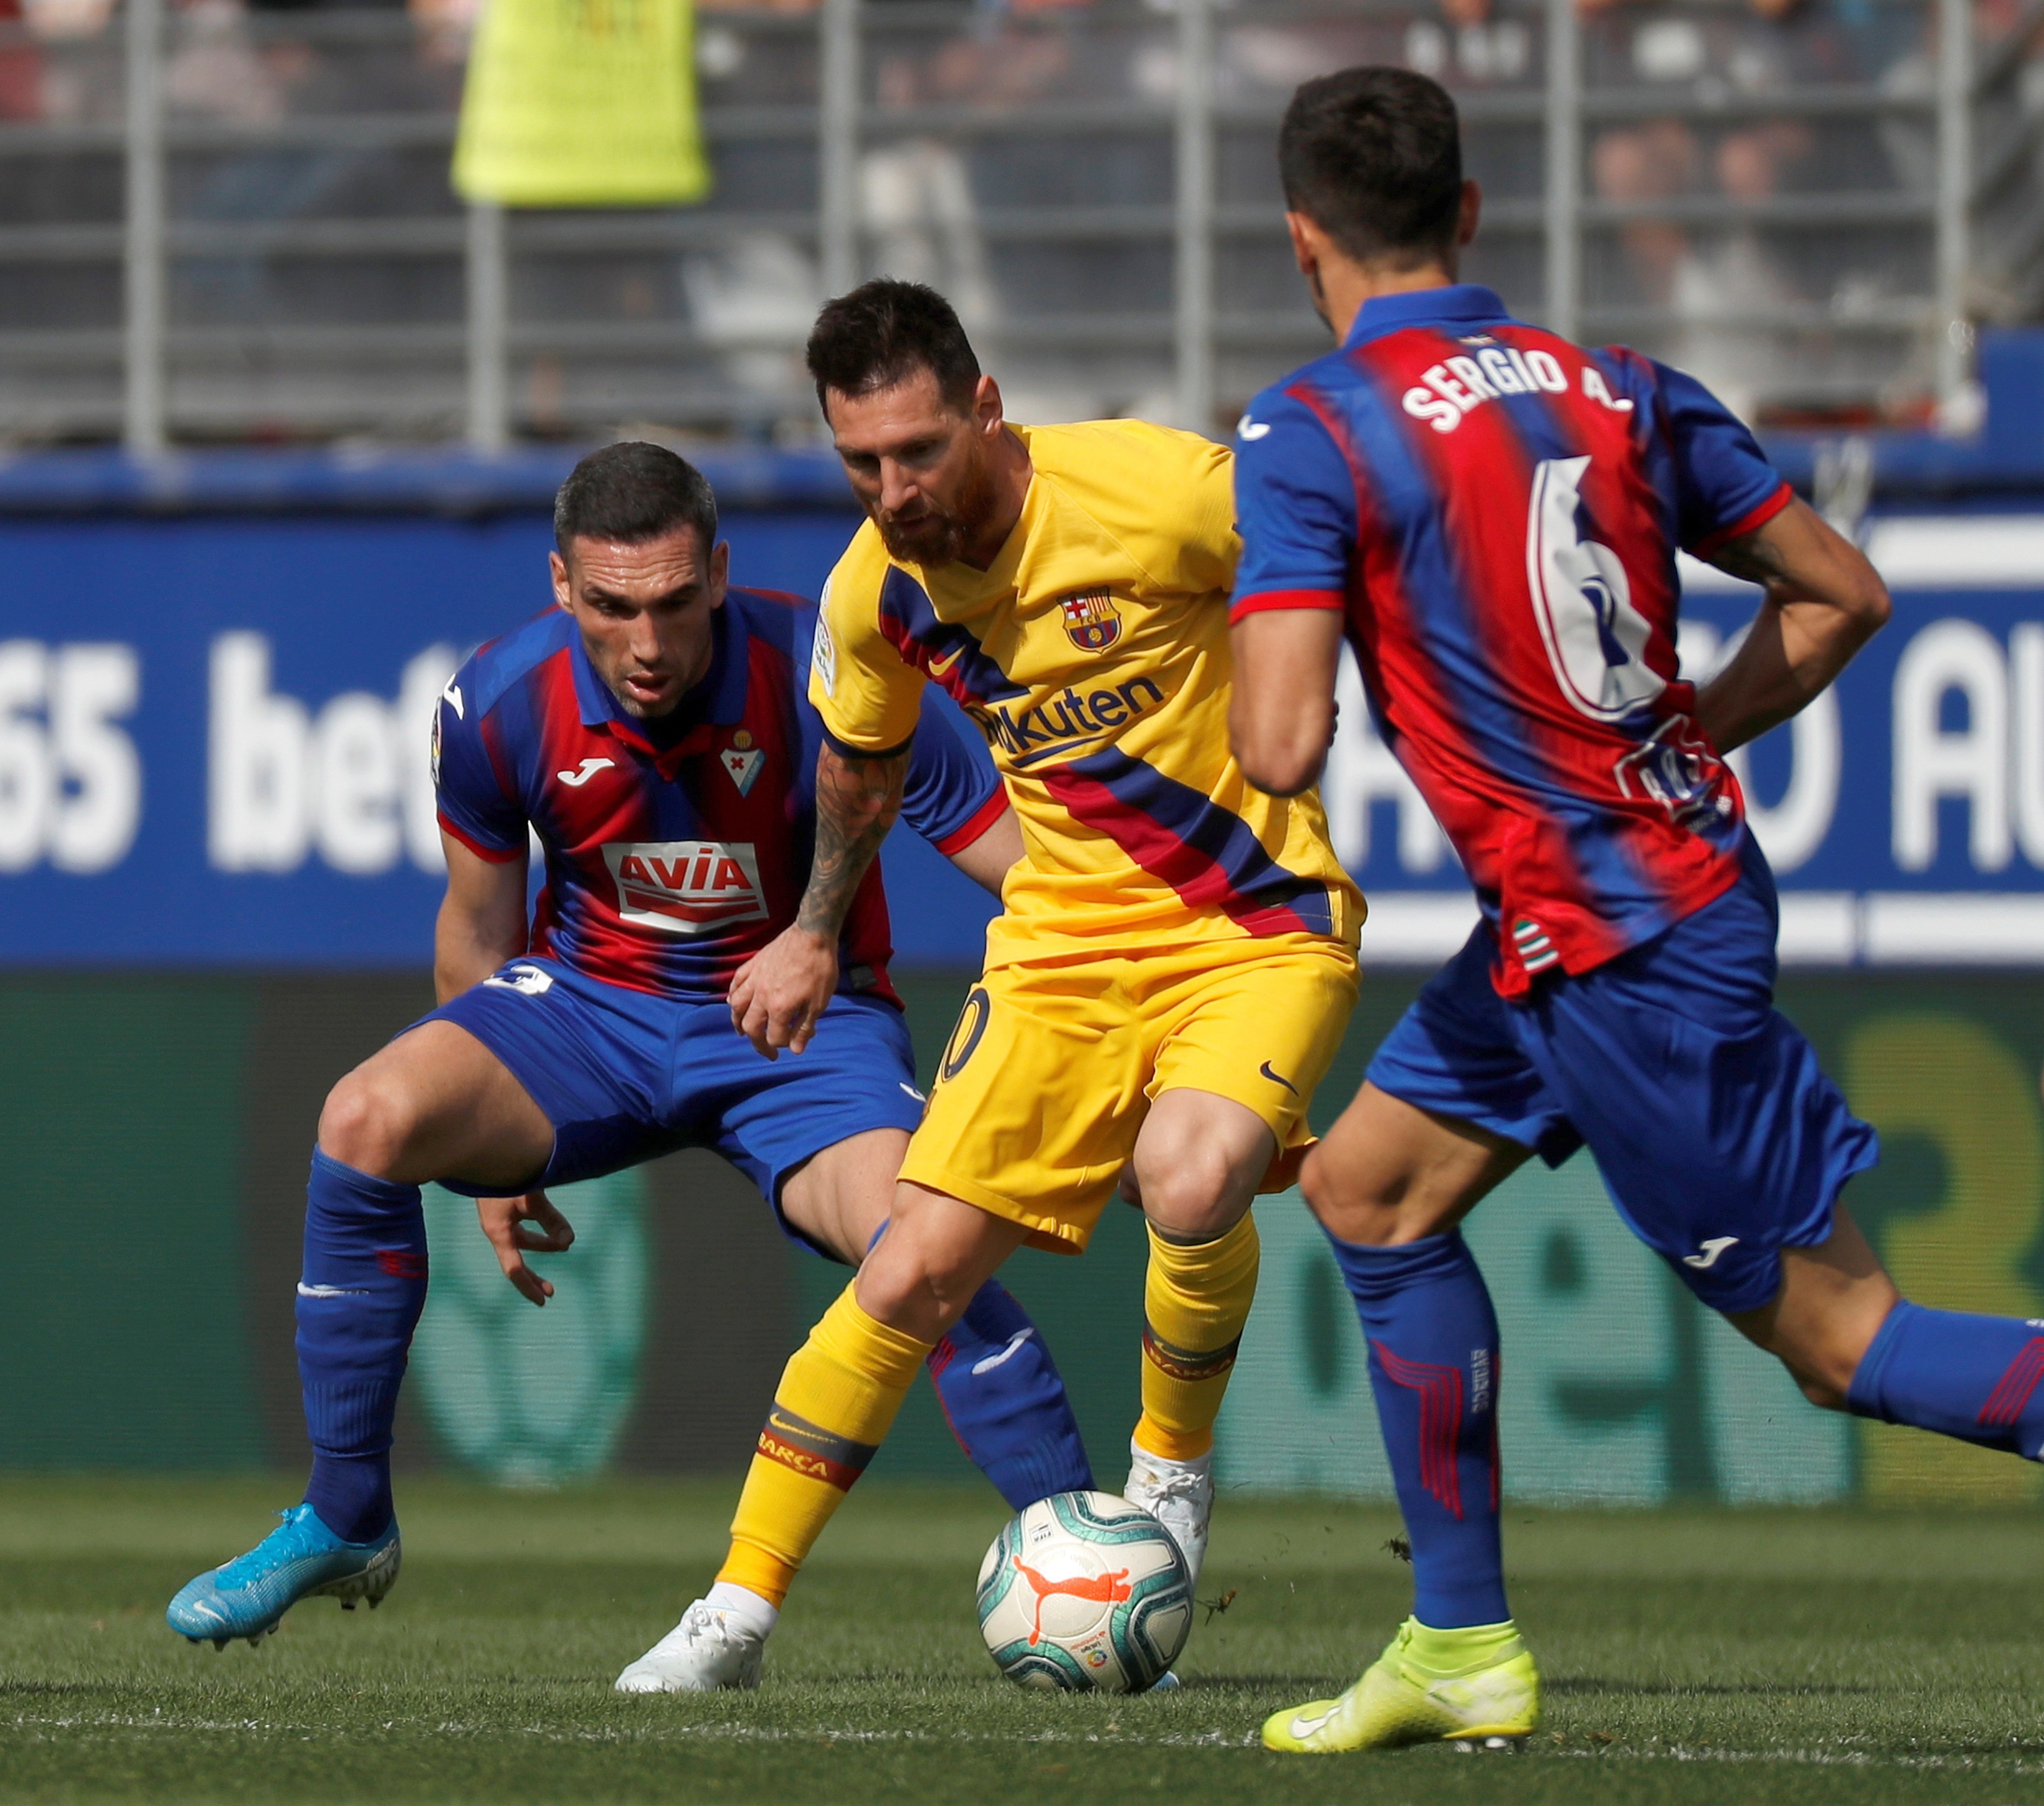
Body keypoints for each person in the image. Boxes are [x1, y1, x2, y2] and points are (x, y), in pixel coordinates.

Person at [1228, 65, 2044, 1757]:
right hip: (1593, 910)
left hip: (1620, 948)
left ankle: (1460, 1636)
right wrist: (1673, 739)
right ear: (1467, 214)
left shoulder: (1311, 429)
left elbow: (1281, 737)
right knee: (1369, 1193)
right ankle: (1457, 1641)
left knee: (1841, 1347)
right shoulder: (1617, 388)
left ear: (1297, 234)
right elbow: (1845, 596)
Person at [164, 442, 1096, 1689]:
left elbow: (1029, 866)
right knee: (367, 1117)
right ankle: (346, 1517)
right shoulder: (495, 703)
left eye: (670, 600)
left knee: (924, 1245)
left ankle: (1088, 1559)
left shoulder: (835, 669)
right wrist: (485, 1162)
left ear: (718, 572)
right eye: (611, 606)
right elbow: (480, 932)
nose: (645, 641)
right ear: (562, 585)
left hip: (801, 1037)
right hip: (589, 1017)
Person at [648, 278, 1364, 1691]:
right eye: (862, 461)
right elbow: (861, 764)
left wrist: (1322, 688)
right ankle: (732, 1612)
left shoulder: (1154, 491)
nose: (895, 488)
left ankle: (1170, 1473)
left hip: (1254, 923)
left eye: (918, 450)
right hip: (1059, 954)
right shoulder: (874, 592)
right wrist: (809, 928)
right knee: (906, 1268)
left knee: (1193, 1170)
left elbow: (1325, 553)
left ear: (987, 408)